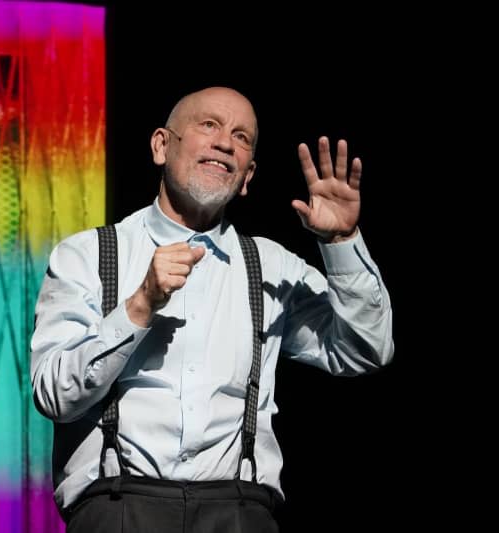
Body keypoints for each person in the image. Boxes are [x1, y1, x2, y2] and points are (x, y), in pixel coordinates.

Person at [30, 86, 394, 532]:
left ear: (247, 176)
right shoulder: (88, 255)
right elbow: (54, 394)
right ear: (162, 146)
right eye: (209, 126)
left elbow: (366, 349)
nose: (225, 142)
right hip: (120, 507)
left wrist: (340, 244)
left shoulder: (270, 265)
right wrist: (139, 306)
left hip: (238, 511)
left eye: (241, 137)